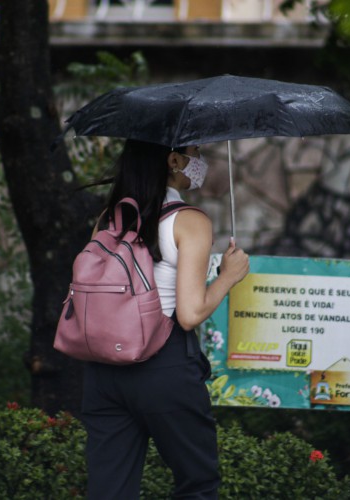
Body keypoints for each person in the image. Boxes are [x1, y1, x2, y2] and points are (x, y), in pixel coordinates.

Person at [81, 139, 250, 499]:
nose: (199, 162)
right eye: (196, 154)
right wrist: (228, 277)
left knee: (109, 490)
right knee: (197, 484)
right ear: (174, 160)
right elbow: (189, 315)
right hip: (163, 364)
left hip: (104, 368)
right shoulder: (189, 221)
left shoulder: (108, 217)